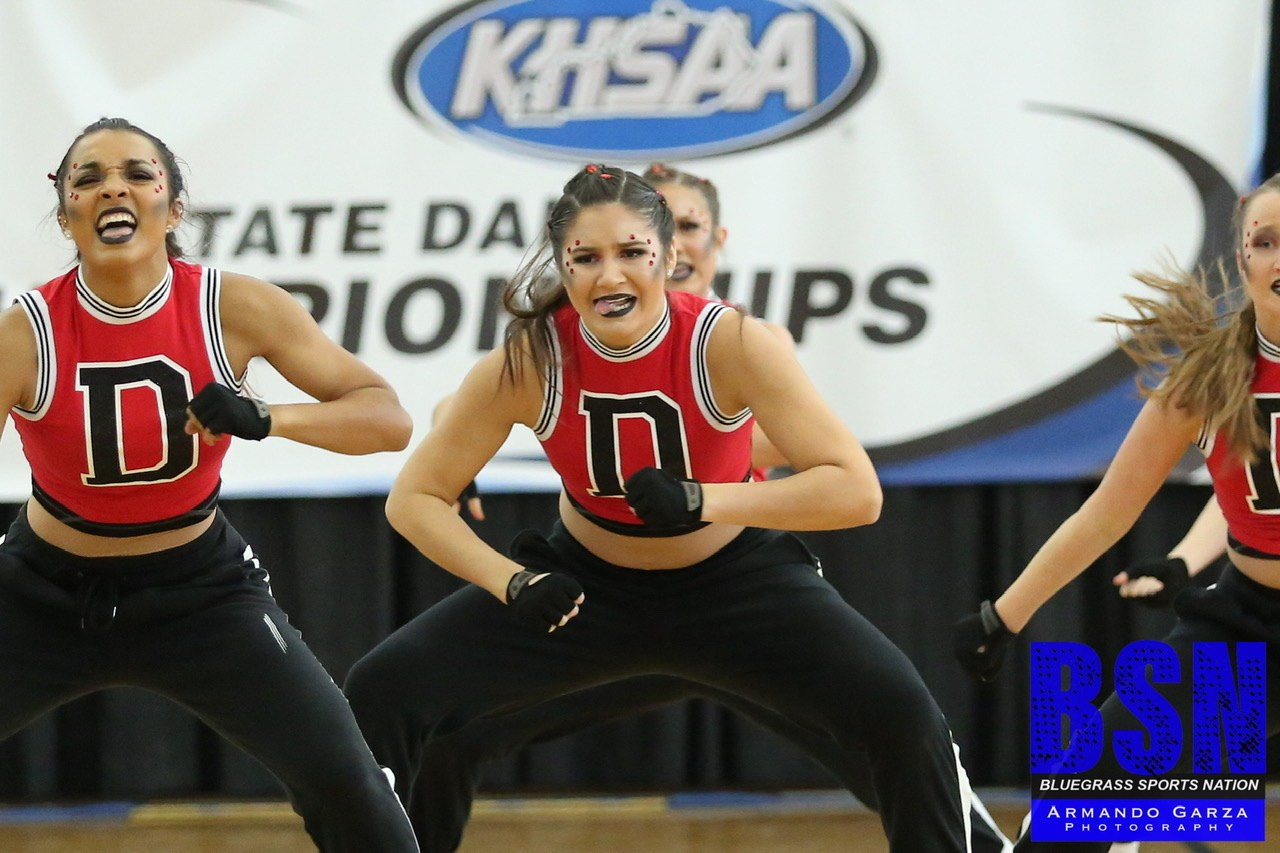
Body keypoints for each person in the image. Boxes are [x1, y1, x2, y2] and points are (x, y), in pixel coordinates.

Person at [343, 163, 975, 852]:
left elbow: (855, 490)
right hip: (587, 594)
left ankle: (1017, 835)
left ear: (670, 256)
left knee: (905, 717)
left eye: (631, 253)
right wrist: (513, 581)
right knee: (385, 690)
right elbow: (416, 496)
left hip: (737, 590)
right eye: (586, 258)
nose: (609, 276)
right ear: (561, 264)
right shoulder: (532, 358)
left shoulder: (734, 341)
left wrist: (701, 500)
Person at [0, 117, 420, 851]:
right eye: (88, 179)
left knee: (350, 785)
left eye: (137, 174)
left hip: (201, 592)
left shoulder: (234, 306)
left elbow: (386, 418)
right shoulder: (25, 332)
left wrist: (267, 417)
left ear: (174, 206)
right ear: (66, 215)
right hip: (42, 594)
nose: (113, 189)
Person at [952, 177, 1280, 852]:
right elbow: (1107, 514)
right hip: (1248, 627)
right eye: (1267, 241)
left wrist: (1184, 558)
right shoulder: (1204, 380)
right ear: (1242, 258)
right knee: (1076, 812)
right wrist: (1004, 614)